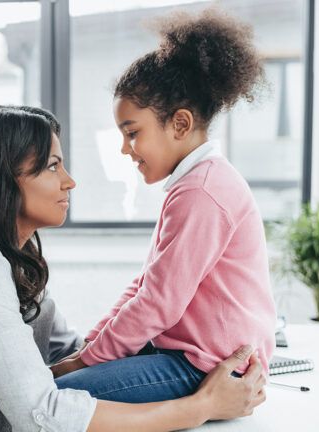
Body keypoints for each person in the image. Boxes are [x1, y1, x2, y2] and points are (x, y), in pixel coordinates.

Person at [0, 105, 266, 432]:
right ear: (1, 179)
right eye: (52, 166)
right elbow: (42, 415)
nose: (69, 181)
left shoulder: (9, 264)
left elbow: (68, 355)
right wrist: (203, 404)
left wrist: (166, 358)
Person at [51, 8, 277, 404]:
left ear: (180, 124)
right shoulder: (195, 183)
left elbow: (158, 304)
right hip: (185, 354)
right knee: (59, 379)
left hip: (203, 366)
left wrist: (84, 362)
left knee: (53, 398)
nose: (125, 150)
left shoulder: (202, 192)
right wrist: (91, 346)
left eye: (132, 133)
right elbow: (147, 285)